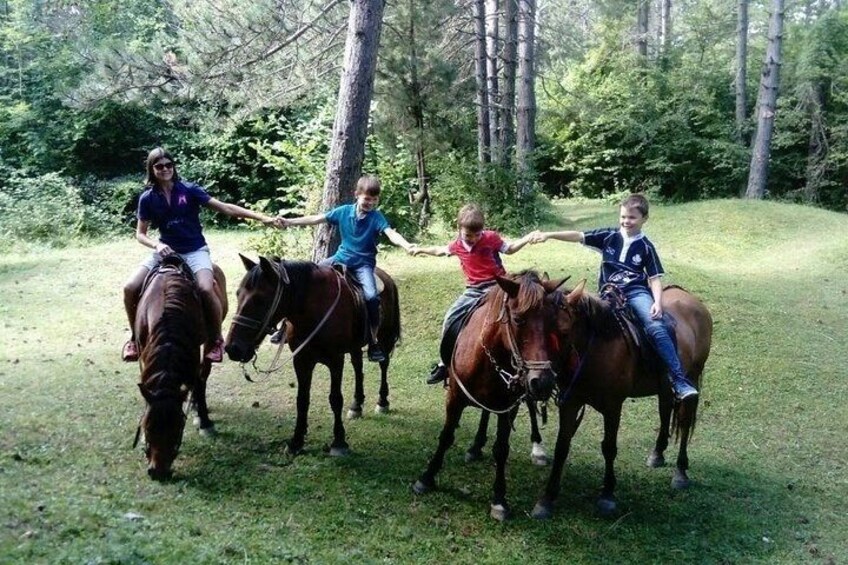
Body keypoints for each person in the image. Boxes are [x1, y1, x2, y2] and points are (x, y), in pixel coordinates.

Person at [529, 193, 698, 401]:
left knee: (656, 327)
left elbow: (654, 278)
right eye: (623, 217)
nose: (626, 222)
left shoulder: (646, 247)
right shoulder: (608, 236)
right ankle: (567, 377)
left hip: (636, 294)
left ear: (644, 219)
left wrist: (657, 302)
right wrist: (549, 235)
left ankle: (679, 380)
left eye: (632, 218)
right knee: (573, 320)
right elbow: (578, 235)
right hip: (607, 294)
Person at [122, 147, 282, 363]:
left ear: (173, 166)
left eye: (169, 165)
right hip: (166, 251)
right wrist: (157, 246)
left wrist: (262, 218)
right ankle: (135, 339)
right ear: (152, 170)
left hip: (195, 251)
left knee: (206, 288)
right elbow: (140, 234)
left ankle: (216, 340)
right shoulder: (147, 198)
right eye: (159, 166)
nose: (165, 169)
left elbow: (225, 208)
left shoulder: (189, 190)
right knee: (130, 287)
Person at [278, 175, 414, 362]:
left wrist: (406, 245)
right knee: (305, 280)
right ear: (357, 195)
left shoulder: (376, 217)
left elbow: (390, 233)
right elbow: (317, 218)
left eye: (374, 200)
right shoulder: (343, 212)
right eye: (367, 198)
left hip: (363, 266)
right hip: (339, 259)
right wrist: (290, 222)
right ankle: (285, 326)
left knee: (371, 297)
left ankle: (373, 340)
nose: (370, 203)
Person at [410, 203, 536, 385]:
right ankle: (445, 364)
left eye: (477, 235)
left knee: (515, 317)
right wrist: (420, 249)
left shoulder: (491, 238)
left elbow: (509, 249)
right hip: (473, 290)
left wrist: (527, 238)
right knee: (450, 319)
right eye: (468, 235)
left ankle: (521, 361)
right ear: (459, 229)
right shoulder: (457, 245)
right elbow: (439, 251)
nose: (473, 239)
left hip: (497, 286)